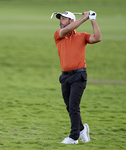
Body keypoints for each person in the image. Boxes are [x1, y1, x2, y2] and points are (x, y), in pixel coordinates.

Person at [53, 10, 101, 144]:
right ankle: (81, 128)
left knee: (74, 106)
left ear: (71, 20)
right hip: (65, 77)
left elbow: (97, 38)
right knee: (69, 106)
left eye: (64, 18)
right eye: (60, 18)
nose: (60, 21)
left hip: (79, 75)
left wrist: (92, 19)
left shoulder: (82, 36)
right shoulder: (58, 34)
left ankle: (73, 137)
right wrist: (85, 18)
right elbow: (68, 29)